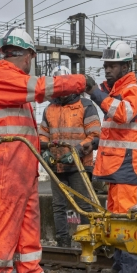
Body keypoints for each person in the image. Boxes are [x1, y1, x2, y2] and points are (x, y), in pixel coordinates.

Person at [0, 28, 91, 273]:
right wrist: (80, 81)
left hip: (23, 167)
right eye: (30, 58)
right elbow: (42, 87)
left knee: (28, 227)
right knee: (0, 227)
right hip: (6, 168)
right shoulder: (2, 77)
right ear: (27, 56)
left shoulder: (12, 83)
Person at [85, 41, 137, 273]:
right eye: (106, 65)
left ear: (126, 66)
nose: (108, 70)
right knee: (117, 220)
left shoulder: (134, 90)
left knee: (127, 221)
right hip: (117, 166)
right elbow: (116, 132)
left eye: (114, 65)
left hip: (127, 165)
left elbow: (124, 114)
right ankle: (121, 269)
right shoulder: (115, 92)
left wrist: (96, 92)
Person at [39, 65, 101, 248]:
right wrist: (45, 151)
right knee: (59, 206)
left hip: (79, 166)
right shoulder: (49, 108)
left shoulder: (86, 105)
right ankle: (63, 243)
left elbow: (95, 135)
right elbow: (43, 134)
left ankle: (88, 244)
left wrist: (77, 152)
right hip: (56, 164)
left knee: (84, 205)